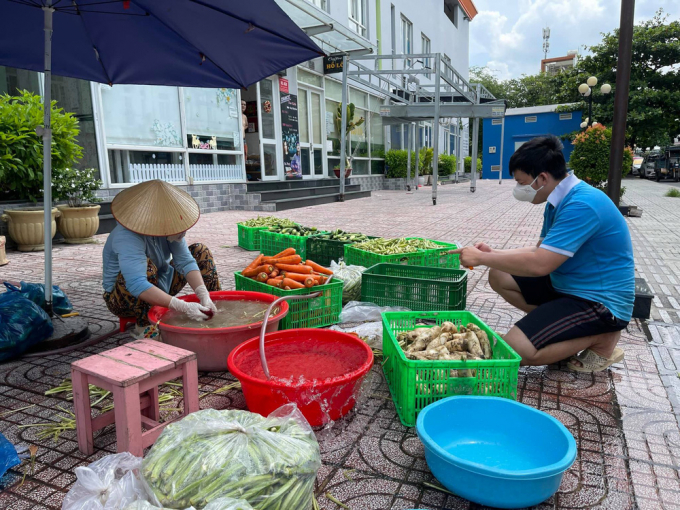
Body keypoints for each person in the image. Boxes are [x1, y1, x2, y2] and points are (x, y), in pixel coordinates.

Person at [454, 136, 634, 372]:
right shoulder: (557, 201)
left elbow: (540, 264)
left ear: (542, 178)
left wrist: (480, 258)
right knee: (499, 273)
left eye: (521, 182)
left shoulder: (582, 205)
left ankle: (602, 339)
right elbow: (540, 251)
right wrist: (492, 253)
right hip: (568, 287)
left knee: (515, 349)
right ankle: (556, 333)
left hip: (599, 302)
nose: (519, 189)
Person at [102, 180, 221, 337]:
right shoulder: (126, 236)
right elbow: (137, 284)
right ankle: (144, 326)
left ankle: (214, 307)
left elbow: (185, 261)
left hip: (160, 283)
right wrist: (183, 306)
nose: (183, 230)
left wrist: (203, 294)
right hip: (123, 299)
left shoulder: (171, 230)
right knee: (146, 266)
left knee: (200, 251)